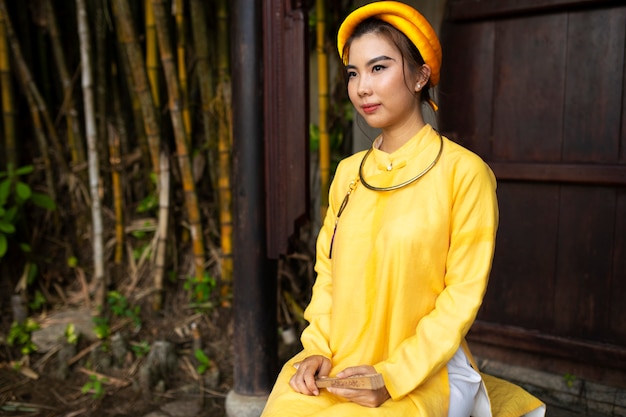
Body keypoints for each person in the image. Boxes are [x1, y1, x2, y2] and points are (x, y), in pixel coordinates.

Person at [261, 2, 546, 416]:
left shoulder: (464, 173)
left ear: (420, 76)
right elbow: (328, 274)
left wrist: (391, 376)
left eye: (379, 68)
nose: (362, 88)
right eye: (353, 73)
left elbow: (461, 295)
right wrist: (317, 349)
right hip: (341, 361)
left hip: (423, 371)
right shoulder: (348, 175)